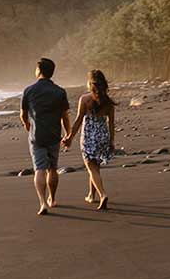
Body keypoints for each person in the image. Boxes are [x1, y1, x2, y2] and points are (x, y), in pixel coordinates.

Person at [20, 58, 71, 215]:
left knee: (39, 170)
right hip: (54, 134)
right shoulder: (60, 91)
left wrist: (28, 127)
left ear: (39, 71)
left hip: (37, 135)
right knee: (53, 169)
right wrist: (67, 134)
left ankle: (42, 203)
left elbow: (23, 115)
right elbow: (65, 116)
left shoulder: (29, 90)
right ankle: (52, 199)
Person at [62, 69, 116, 210]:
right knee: (95, 166)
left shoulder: (85, 99)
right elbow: (111, 123)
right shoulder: (108, 102)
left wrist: (69, 138)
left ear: (90, 84)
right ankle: (91, 195)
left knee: (91, 167)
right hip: (103, 135)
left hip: (89, 136)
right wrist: (111, 141)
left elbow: (78, 120)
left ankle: (102, 194)